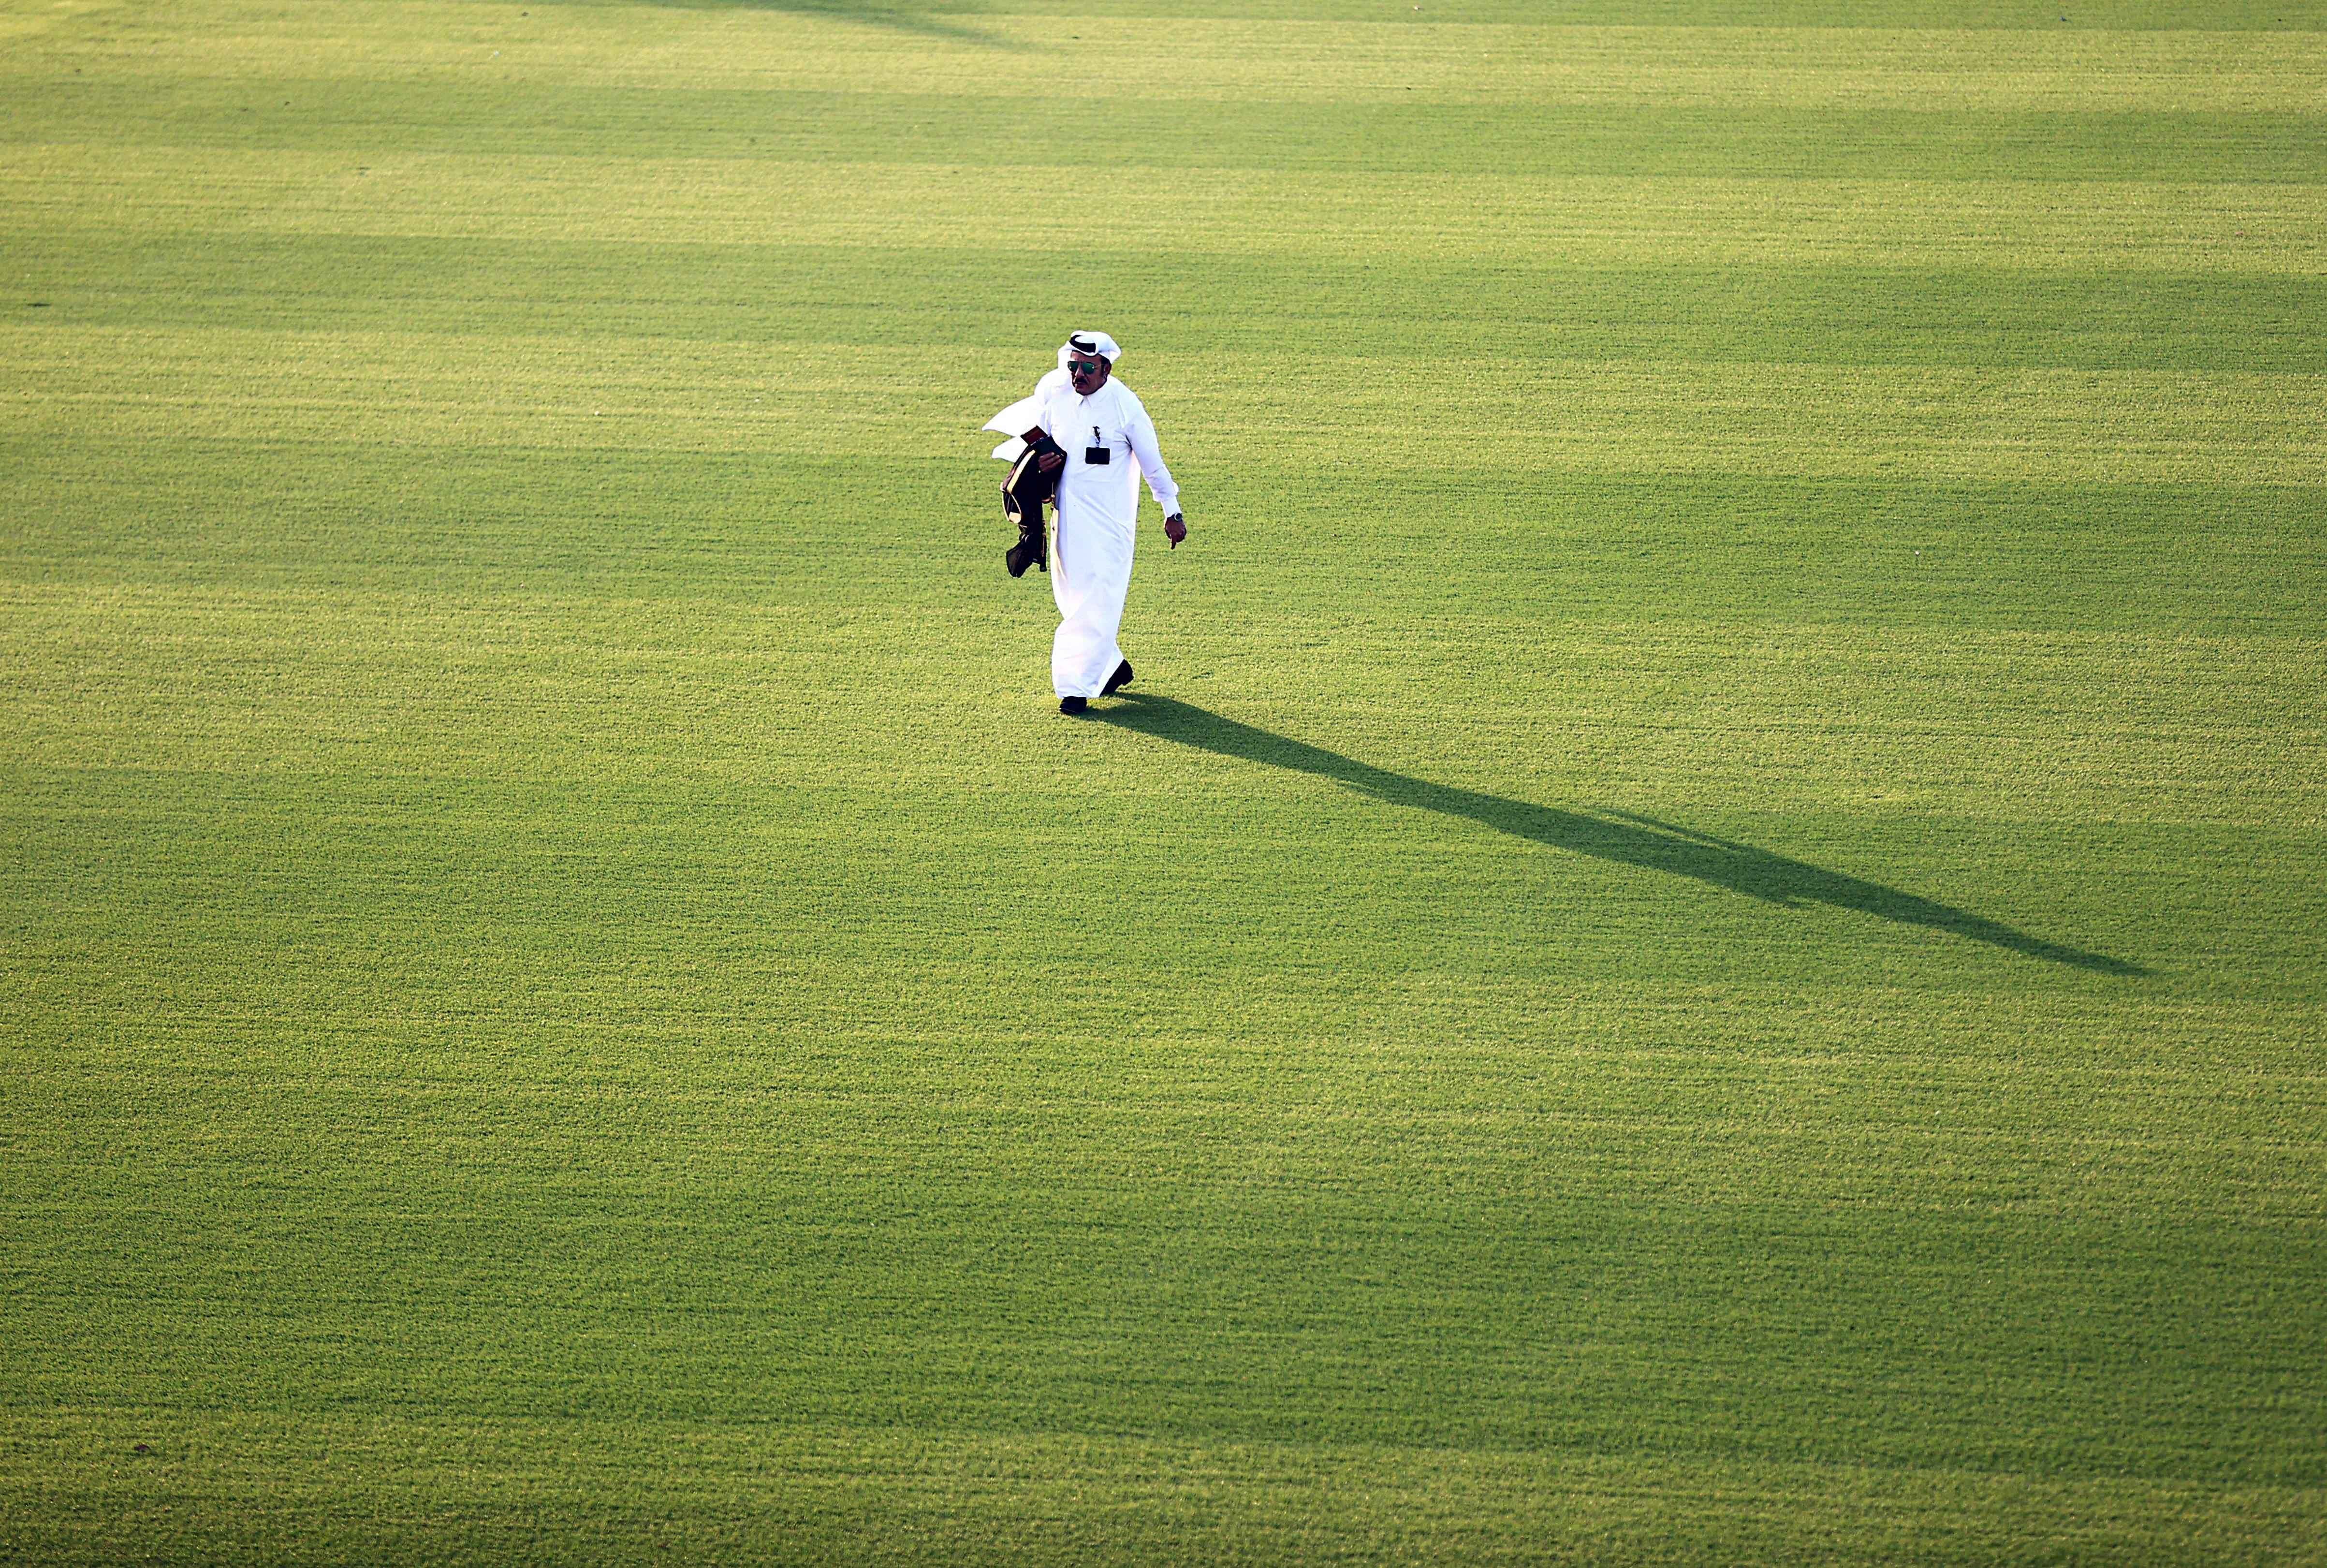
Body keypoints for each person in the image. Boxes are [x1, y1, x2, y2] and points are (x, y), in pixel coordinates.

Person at [1016, 332, 1187, 715]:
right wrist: (1040, 465)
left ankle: (1074, 687)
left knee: (1095, 602)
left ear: (1106, 368)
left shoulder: (1125, 406)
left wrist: (1171, 511)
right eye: (1072, 366)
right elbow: (1033, 446)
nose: (1078, 374)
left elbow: (1152, 463)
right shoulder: (1057, 398)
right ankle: (1112, 669)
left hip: (1110, 526)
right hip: (1065, 520)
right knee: (1074, 601)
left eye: (1087, 368)